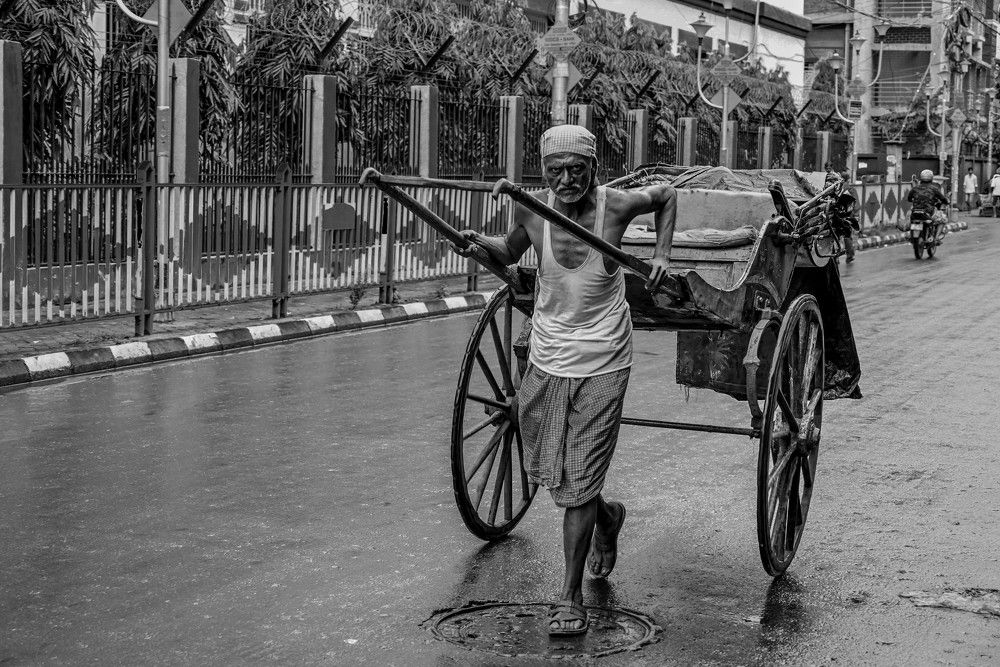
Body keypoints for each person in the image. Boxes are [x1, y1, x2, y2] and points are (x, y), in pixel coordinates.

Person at [453, 125, 676, 637]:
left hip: (604, 358)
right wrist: (478, 245)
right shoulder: (531, 210)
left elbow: (666, 196)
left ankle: (569, 594)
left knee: (577, 478)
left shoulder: (616, 206)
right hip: (549, 356)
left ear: (594, 169)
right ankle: (608, 514)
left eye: (578, 169)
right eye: (556, 171)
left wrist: (661, 254)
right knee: (549, 465)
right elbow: (507, 253)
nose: (567, 179)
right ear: (544, 171)